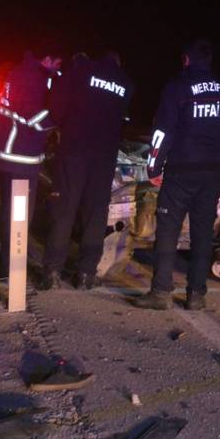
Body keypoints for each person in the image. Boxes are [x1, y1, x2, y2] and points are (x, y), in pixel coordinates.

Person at [134, 39, 220, 311]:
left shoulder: (177, 87)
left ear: (185, 60)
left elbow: (162, 133)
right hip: (212, 174)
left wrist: (153, 168)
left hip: (181, 172)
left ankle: (160, 293)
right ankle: (196, 295)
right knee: (203, 233)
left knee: (168, 232)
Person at [44, 51, 134, 289]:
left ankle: (52, 271)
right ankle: (85, 274)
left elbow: (55, 108)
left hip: (74, 150)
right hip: (104, 155)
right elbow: (122, 117)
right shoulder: (125, 82)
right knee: (96, 213)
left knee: (64, 208)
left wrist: (68, 126)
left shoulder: (80, 71)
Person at [0, 45, 62, 278]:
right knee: (19, 217)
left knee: (11, 214)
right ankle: (12, 274)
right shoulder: (33, 78)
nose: (58, 70)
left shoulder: (20, 71)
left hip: (10, 152)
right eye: (57, 64)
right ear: (49, 58)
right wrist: (62, 117)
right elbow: (35, 118)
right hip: (21, 155)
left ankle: (8, 267)